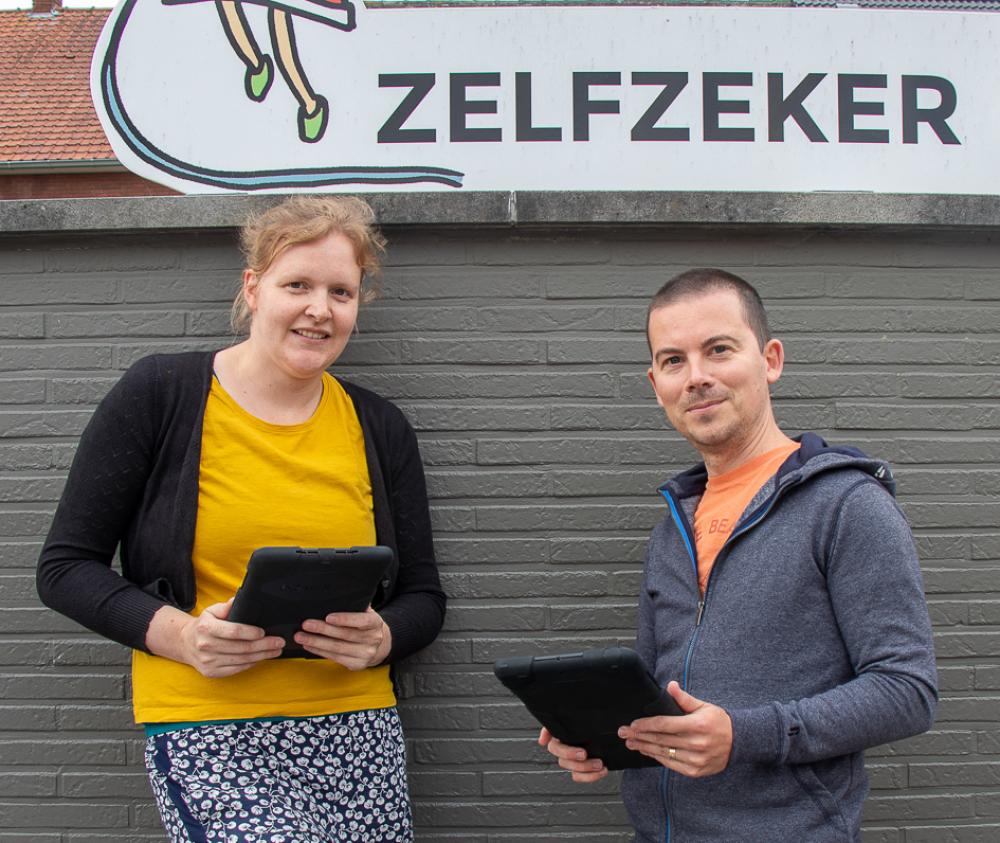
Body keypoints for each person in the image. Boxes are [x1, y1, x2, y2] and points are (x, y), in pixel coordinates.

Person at [37, 195, 445, 842]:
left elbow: (424, 596)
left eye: (340, 291)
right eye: (297, 285)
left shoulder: (378, 425)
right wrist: (182, 636)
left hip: (358, 728)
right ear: (253, 288)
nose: (320, 308)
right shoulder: (162, 394)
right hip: (208, 728)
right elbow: (65, 568)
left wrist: (384, 637)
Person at [540, 268, 937, 842]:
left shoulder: (847, 505)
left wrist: (745, 735)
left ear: (770, 360)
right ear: (656, 384)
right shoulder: (672, 529)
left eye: (719, 350)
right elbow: (654, 692)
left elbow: (907, 690)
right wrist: (603, 735)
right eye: (673, 360)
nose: (696, 377)